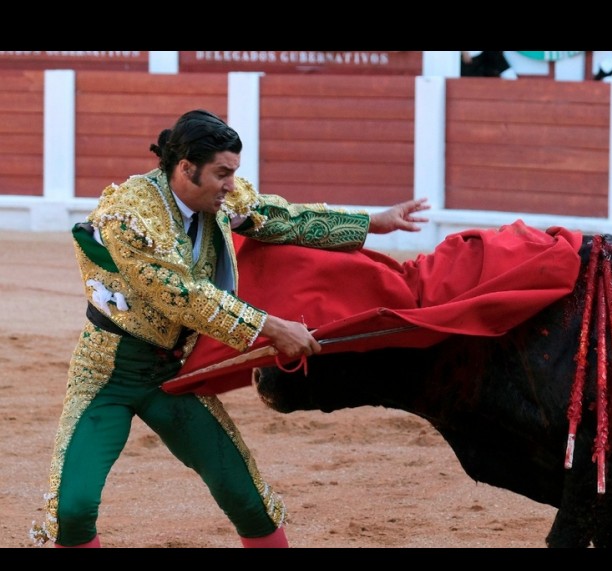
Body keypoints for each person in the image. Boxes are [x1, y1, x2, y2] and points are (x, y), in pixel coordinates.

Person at [29, 108, 430, 548]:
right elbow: (183, 295)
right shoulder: (128, 214)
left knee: (248, 500)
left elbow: (283, 219)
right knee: (71, 510)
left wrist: (372, 222)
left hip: (174, 375)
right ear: (186, 168)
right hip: (107, 374)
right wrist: (271, 328)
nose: (232, 185)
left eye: (233, 173)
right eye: (222, 174)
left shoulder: (217, 198)